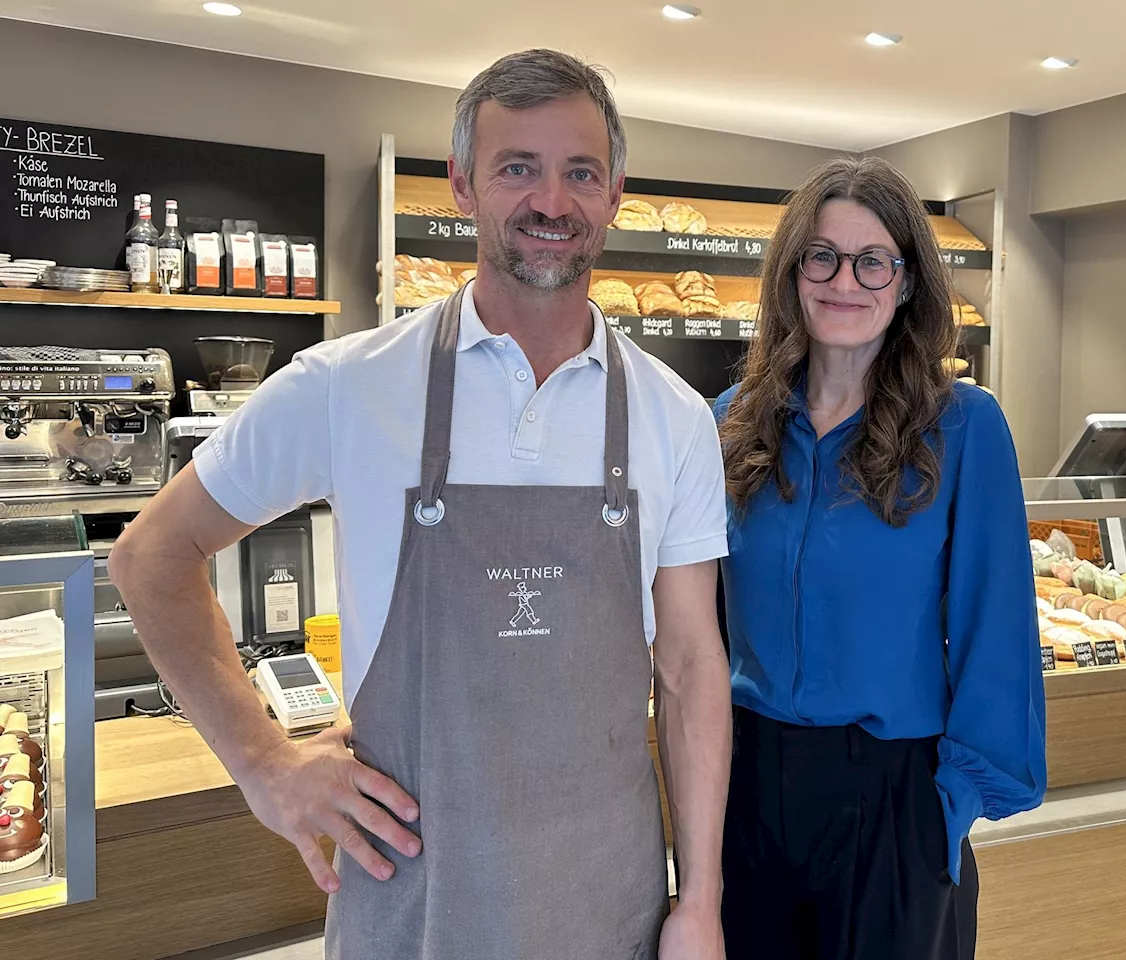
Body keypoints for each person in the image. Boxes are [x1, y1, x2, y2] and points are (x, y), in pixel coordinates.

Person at [110, 49, 732, 960]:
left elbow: (688, 669)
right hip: (416, 906)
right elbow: (150, 556)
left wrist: (701, 900)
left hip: (611, 901)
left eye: (580, 173)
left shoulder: (673, 417)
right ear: (461, 186)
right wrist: (262, 761)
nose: (551, 201)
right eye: (517, 167)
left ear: (613, 194)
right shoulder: (346, 385)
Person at [713, 156, 1047, 960]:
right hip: (745, 784)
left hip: (894, 793)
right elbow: (697, 621)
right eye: (822, 256)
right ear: (793, 274)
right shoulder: (728, 423)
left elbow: (994, 629)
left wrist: (950, 804)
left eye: (873, 261)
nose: (845, 281)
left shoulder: (964, 428)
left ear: (906, 283)